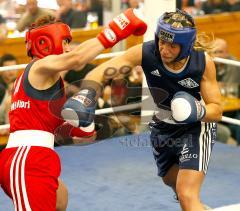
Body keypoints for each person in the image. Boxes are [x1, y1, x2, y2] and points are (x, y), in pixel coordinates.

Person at [0, 9, 147, 211]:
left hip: (36, 156)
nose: (69, 48)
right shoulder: (39, 67)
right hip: (27, 161)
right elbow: (78, 58)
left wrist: (82, 128)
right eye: (65, 42)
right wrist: (117, 28)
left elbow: (52, 128)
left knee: (60, 199)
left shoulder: (48, 81)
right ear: (46, 43)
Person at [77, 9, 222, 211]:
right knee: (170, 181)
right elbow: (103, 70)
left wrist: (196, 111)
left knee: (187, 194)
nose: (164, 49)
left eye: (172, 45)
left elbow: (217, 110)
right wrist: (85, 95)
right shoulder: (147, 52)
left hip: (195, 128)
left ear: (186, 45)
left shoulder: (202, 63)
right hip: (162, 125)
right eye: (162, 41)